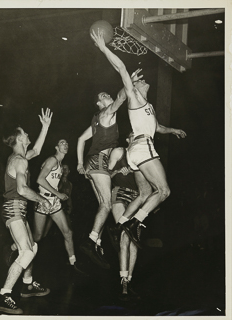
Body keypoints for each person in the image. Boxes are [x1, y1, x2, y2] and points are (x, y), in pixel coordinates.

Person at [91, 30, 187, 249]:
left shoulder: (148, 108)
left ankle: (120, 224)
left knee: (144, 193)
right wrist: (104, 48)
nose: (144, 81)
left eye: (143, 81)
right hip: (142, 148)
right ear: (135, 89)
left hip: (136, 151)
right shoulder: (134, 98)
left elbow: (158, 127)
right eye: (140, 81)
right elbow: (122, 69)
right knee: (163, 191)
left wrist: (172, 130)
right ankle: (135, 223)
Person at [77, 70, 142, 269]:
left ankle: (96, 242)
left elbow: (80, 139)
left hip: (93, 162)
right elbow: (122, 97)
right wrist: (128, 81)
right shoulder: (106, 113)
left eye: (107, 94)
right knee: (106, 204)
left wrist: (80, 164)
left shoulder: (96, 121)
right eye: (103, 96)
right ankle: (91, 241)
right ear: (99, 104)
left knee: (102, 205)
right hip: (98, 161)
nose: (107, 96)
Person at [0, 108, 53, 315]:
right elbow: (21, 189)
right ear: (19, 138)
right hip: (13, 209)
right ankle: (3, 294)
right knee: (26, 251)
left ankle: (27, 284)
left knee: (32, 247)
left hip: (18, 209)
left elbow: (35, 151)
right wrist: (42, 199)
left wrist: (45, 127)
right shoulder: (19, 161)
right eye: (25, 133)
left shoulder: (20, 157)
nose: (28, 135)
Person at [108, 133, 153, 300]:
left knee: (134, 242)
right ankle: (123, 282)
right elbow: (106, 176)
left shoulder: (144, 158)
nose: (137, 138)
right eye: (133, 136)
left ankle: (129, 280)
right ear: (128, 140)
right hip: (119, 193)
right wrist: (119, 170)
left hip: (137, 198)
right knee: (124, 237)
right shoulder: (119, 152)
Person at [33, 140, 86, 275]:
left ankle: (73, 263)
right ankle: (15, 247)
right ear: (56, 147)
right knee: (38, 236)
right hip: (43, 200)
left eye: (67, 143)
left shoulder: (60, 165)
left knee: (68, 232)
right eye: (62, 143)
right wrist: (59, 194)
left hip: (54, 201)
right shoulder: (52, 160)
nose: (66, 144)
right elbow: (40, 179)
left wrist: (58, 195)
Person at [58, 164, 73, 229]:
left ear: (69, 171)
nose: (65, 171)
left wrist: (70, 207)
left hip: (64, 208)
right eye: (63, 169)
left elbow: (69, 197)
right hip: (56, 207)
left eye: (66, 169)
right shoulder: (57, 182)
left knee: (68, 226)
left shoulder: (70, 184)